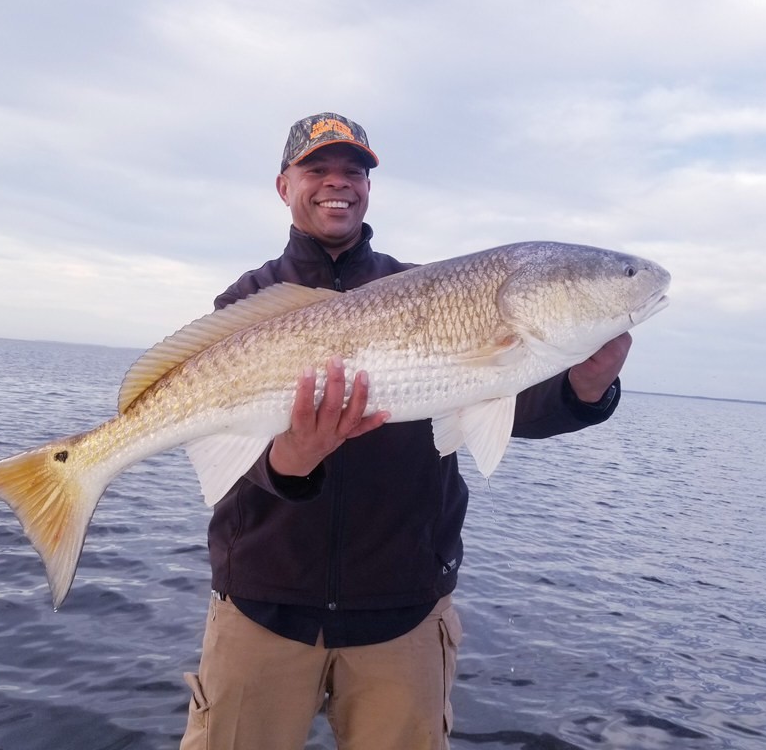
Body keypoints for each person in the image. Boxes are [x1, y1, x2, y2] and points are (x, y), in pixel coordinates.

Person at [179, 112, 632, 749]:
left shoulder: (433, 293)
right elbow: (216, 424)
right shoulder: (249, 301)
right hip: (261, 607)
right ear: (284, 186)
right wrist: (287, 463)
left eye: (354, 171)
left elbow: (510, 397)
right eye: (317, 169)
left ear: (369, 187)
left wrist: (583, 389)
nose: (338, 182)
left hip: (404, 613)